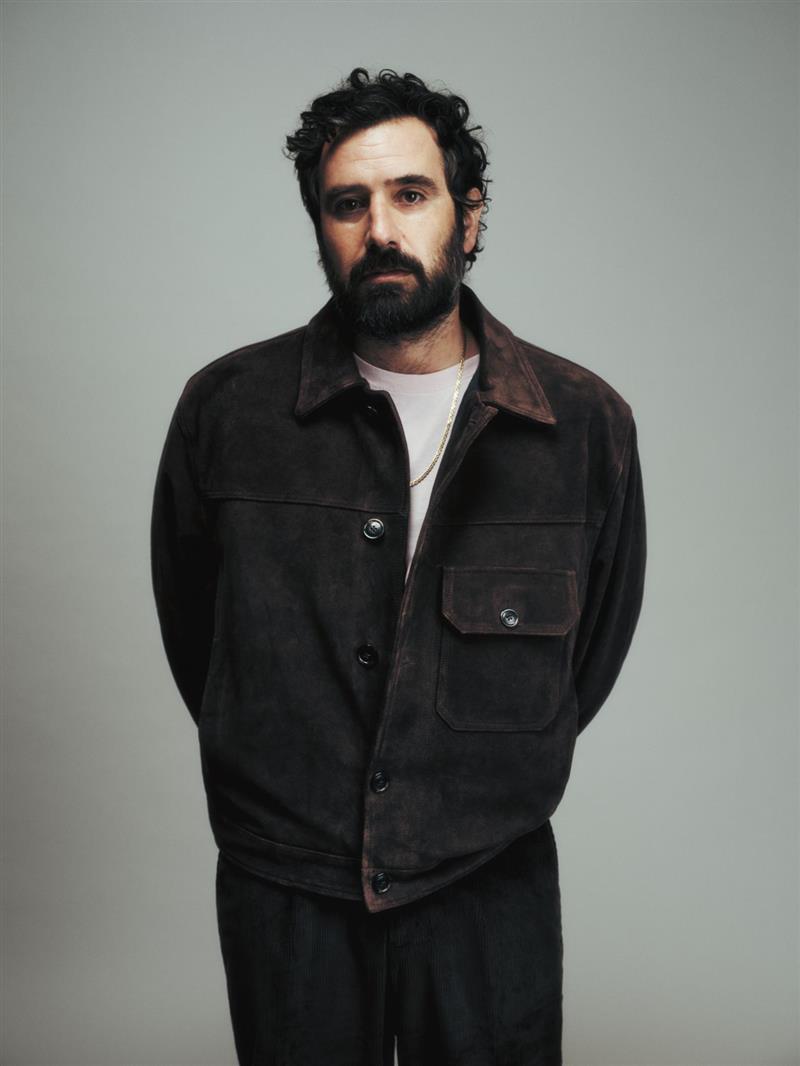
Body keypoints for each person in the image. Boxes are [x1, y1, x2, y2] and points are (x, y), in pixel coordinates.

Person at [150, 67, 647, 1066]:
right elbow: (199, 639)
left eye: (410, 194)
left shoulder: (582, 425)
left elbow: (585, 662)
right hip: (286, 884)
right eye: (349, 204)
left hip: (485, 879)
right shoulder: (227, 411)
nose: (380, 229)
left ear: (469, 215)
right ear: (321, 228)